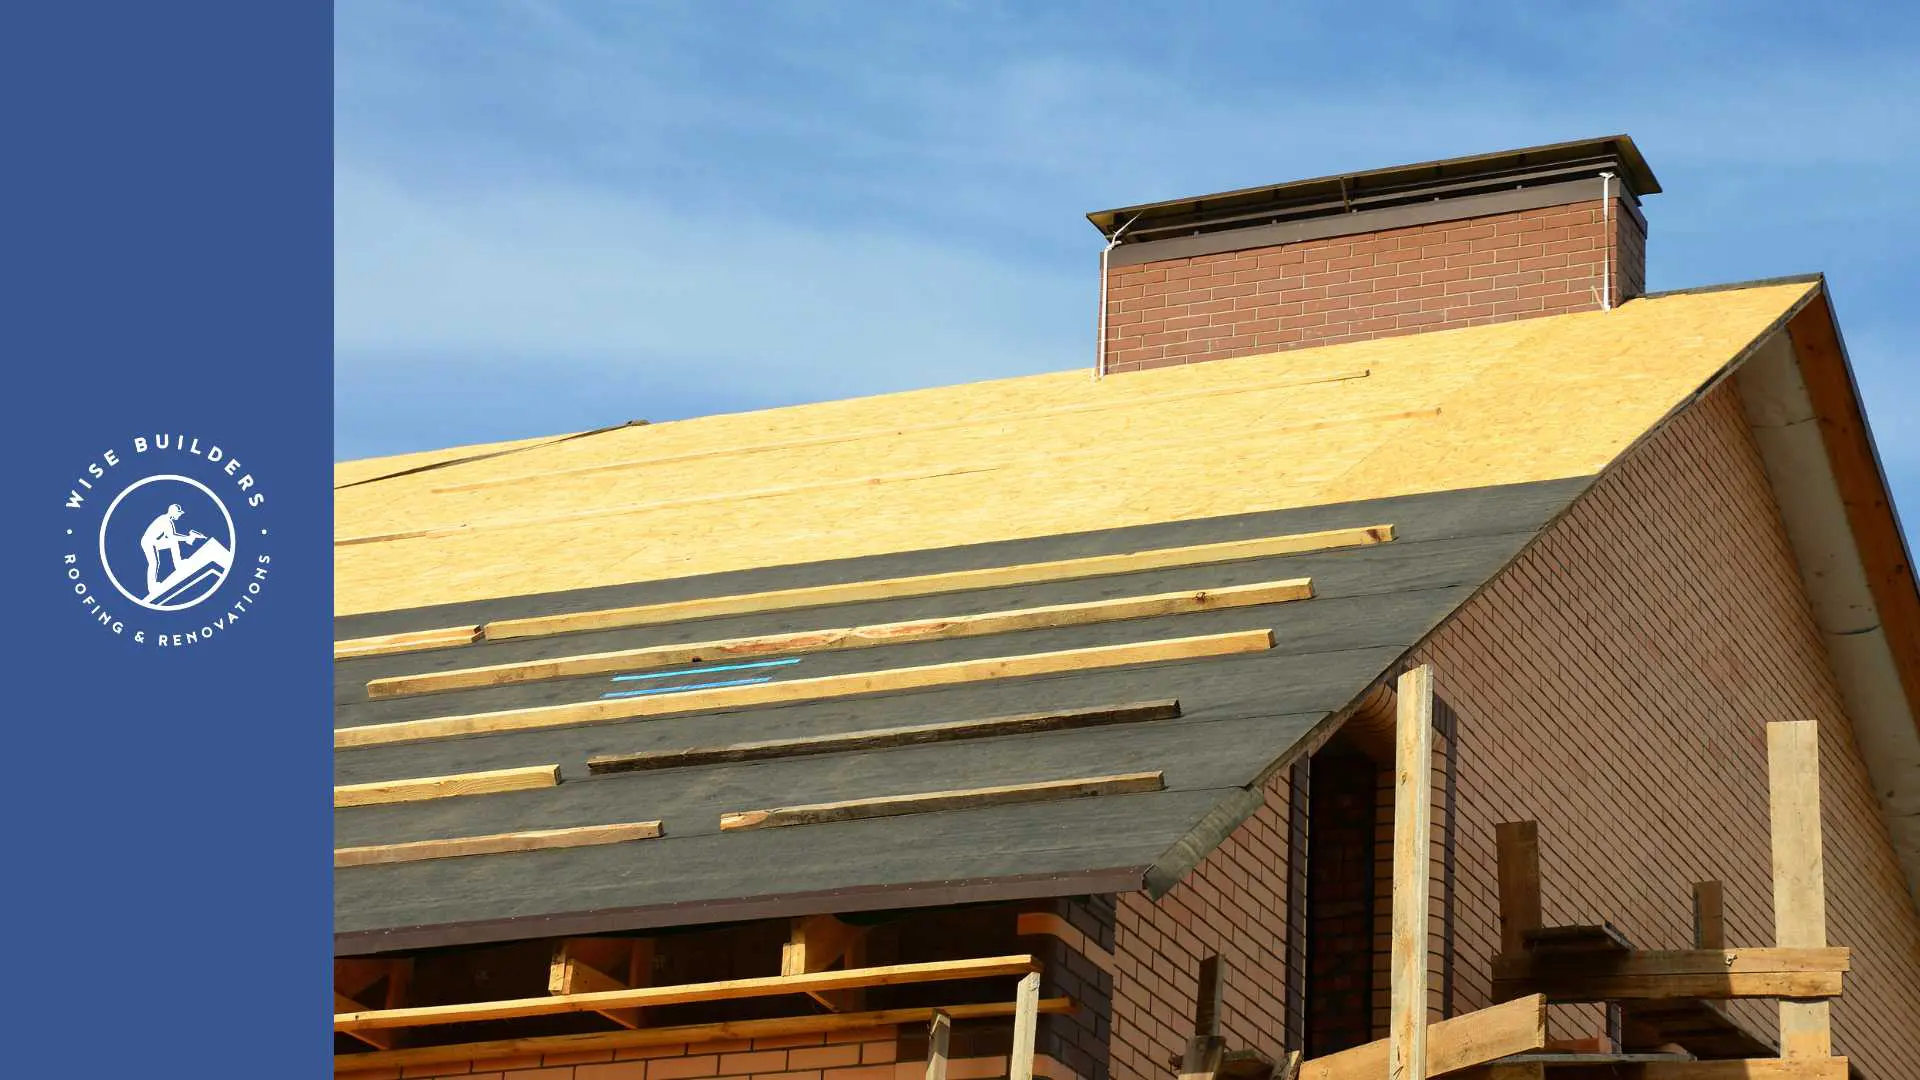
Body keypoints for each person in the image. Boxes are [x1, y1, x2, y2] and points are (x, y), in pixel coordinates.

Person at [142, 503, 206, 595]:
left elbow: (172, 536)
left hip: (155, 541)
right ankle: (152, 588)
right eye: (178, 513)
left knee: (173, 543)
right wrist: (187, 538)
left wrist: (188, 538)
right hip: (148, 542)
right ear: (173, 512)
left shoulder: (167, 520)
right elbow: (172, 536)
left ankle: (178, 564)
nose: (179, 515)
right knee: (154, 563)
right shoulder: (165, 520)